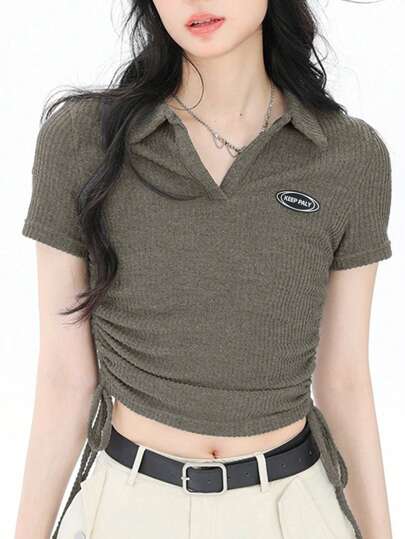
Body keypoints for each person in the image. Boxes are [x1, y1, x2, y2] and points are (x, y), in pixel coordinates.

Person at [15, 1, 394, 538]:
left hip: (291, 509)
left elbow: (345, 380)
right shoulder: (82, 140)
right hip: (127, 509)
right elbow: (64, 377)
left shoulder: (349, 156)